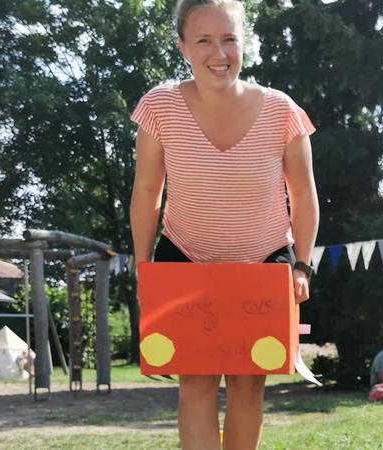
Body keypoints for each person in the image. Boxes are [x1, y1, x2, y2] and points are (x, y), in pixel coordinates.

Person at [128, 1, 319, 447]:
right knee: (194, 381)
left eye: (230, 38)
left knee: (248, 384)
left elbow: (304, 194)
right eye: (204, 40)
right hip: (186, 256)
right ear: (182, 48)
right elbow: (146, 194)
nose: (219, 52)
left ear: (243, 43)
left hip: (263, 258)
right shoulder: (158, 108)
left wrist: (303, 265)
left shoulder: (281, 111)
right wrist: (144, 270)